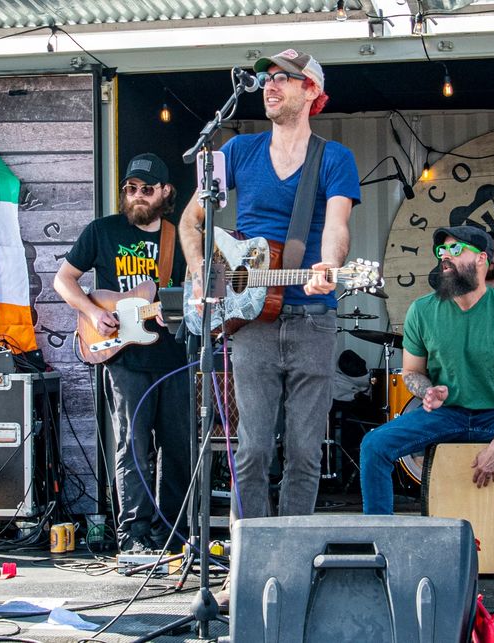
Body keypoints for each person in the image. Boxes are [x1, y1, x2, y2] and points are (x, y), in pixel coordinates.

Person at [178, 49, 360, 604]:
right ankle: (247, 567)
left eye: (283, 78)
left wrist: (328, 264)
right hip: (249, 321)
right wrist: (200, 279)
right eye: (266, 78)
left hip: (311, 320)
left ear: (312, 92)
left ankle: (295, 566)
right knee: (253, 450)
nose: (269, 86)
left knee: (305, 453)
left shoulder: (336, 157)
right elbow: (191, 219)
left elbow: (336, 225)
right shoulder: (235, 149)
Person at [54, 153, 189, 553]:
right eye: (130, 189)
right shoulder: (102, 232)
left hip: (174, 356)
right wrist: (94, 312)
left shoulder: (180, 238)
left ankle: (174, 534)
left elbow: (198, 291)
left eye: (146, 189)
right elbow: (64, 280)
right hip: (124, 358)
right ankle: (134, 537)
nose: (136, 196)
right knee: (133, 447)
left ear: (165, 192)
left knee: (178, 447)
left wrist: (184, 307)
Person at [359, 226, 494, 514]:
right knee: (374, 445)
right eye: (441, 251)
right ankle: (380, 539)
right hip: (447, 413)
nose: (445, 256)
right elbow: (411, 372)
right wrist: (427, 390)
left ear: (482, 259)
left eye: (456, 250)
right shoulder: (421, 310)